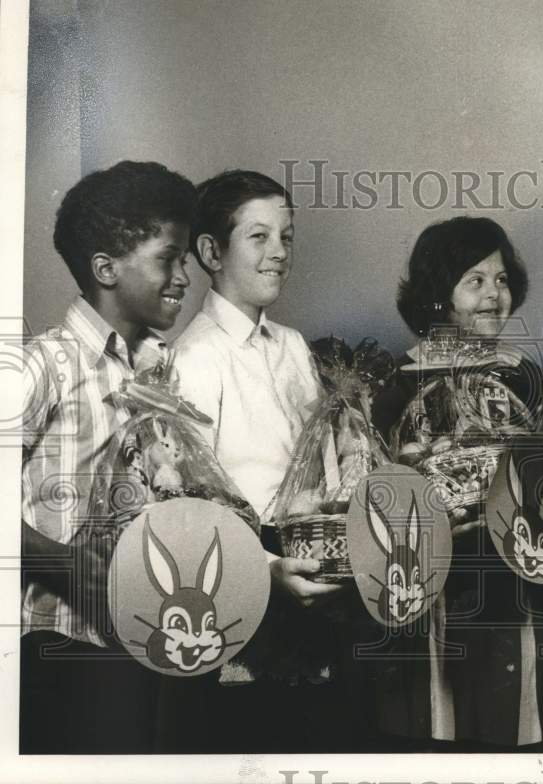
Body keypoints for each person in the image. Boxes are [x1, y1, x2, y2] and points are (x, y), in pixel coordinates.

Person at [169, 170, 358, 751]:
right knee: (255, 737)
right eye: (259, 237)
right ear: (210, 251)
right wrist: (265, 568)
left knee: (322, 737)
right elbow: (185, 503)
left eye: (287, 236)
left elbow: (323, 468)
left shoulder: (295, 346)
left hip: (311, 570)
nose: (279, 252)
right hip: (244, 573)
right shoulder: (196, 358)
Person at [20, 160, 197, 753]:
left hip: (142, 640)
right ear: (106, 269)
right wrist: (63, 564)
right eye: (167, 259)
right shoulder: (44, 365)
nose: (183, 277)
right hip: (55, 642)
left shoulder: (160, 371)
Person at [371, 216, 543, 750]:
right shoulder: (396, 384)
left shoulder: (525, 376)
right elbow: (374, 494)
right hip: (428, 585)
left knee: (512, 731)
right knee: (434, 733)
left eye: (500, 280)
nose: (493, 295)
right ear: (438, 293)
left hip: (514, 580)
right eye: (474, 281)